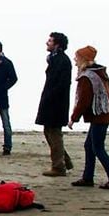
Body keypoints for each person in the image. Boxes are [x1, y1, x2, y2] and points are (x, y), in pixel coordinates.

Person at [68, 46, 109, 189]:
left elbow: (84, 101)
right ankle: (87, 178)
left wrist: (73, 118)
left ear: (83, 60)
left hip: (100, 116)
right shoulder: (98, 73)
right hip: (103, 114)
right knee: (89, 146)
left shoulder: (88, 77)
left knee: (98, 148)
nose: (74, 60)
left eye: (76, 57)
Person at [36, 32, 74, 177]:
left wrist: (50, 98)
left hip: (56, 103)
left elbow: (62, 84)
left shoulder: (62, 60)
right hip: (51, 101)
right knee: (49, 132)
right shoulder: (55, 59)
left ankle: (58, 166)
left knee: (54, 133)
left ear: (57, 44)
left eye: (50, 41)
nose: (47, 42)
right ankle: (64, 161)